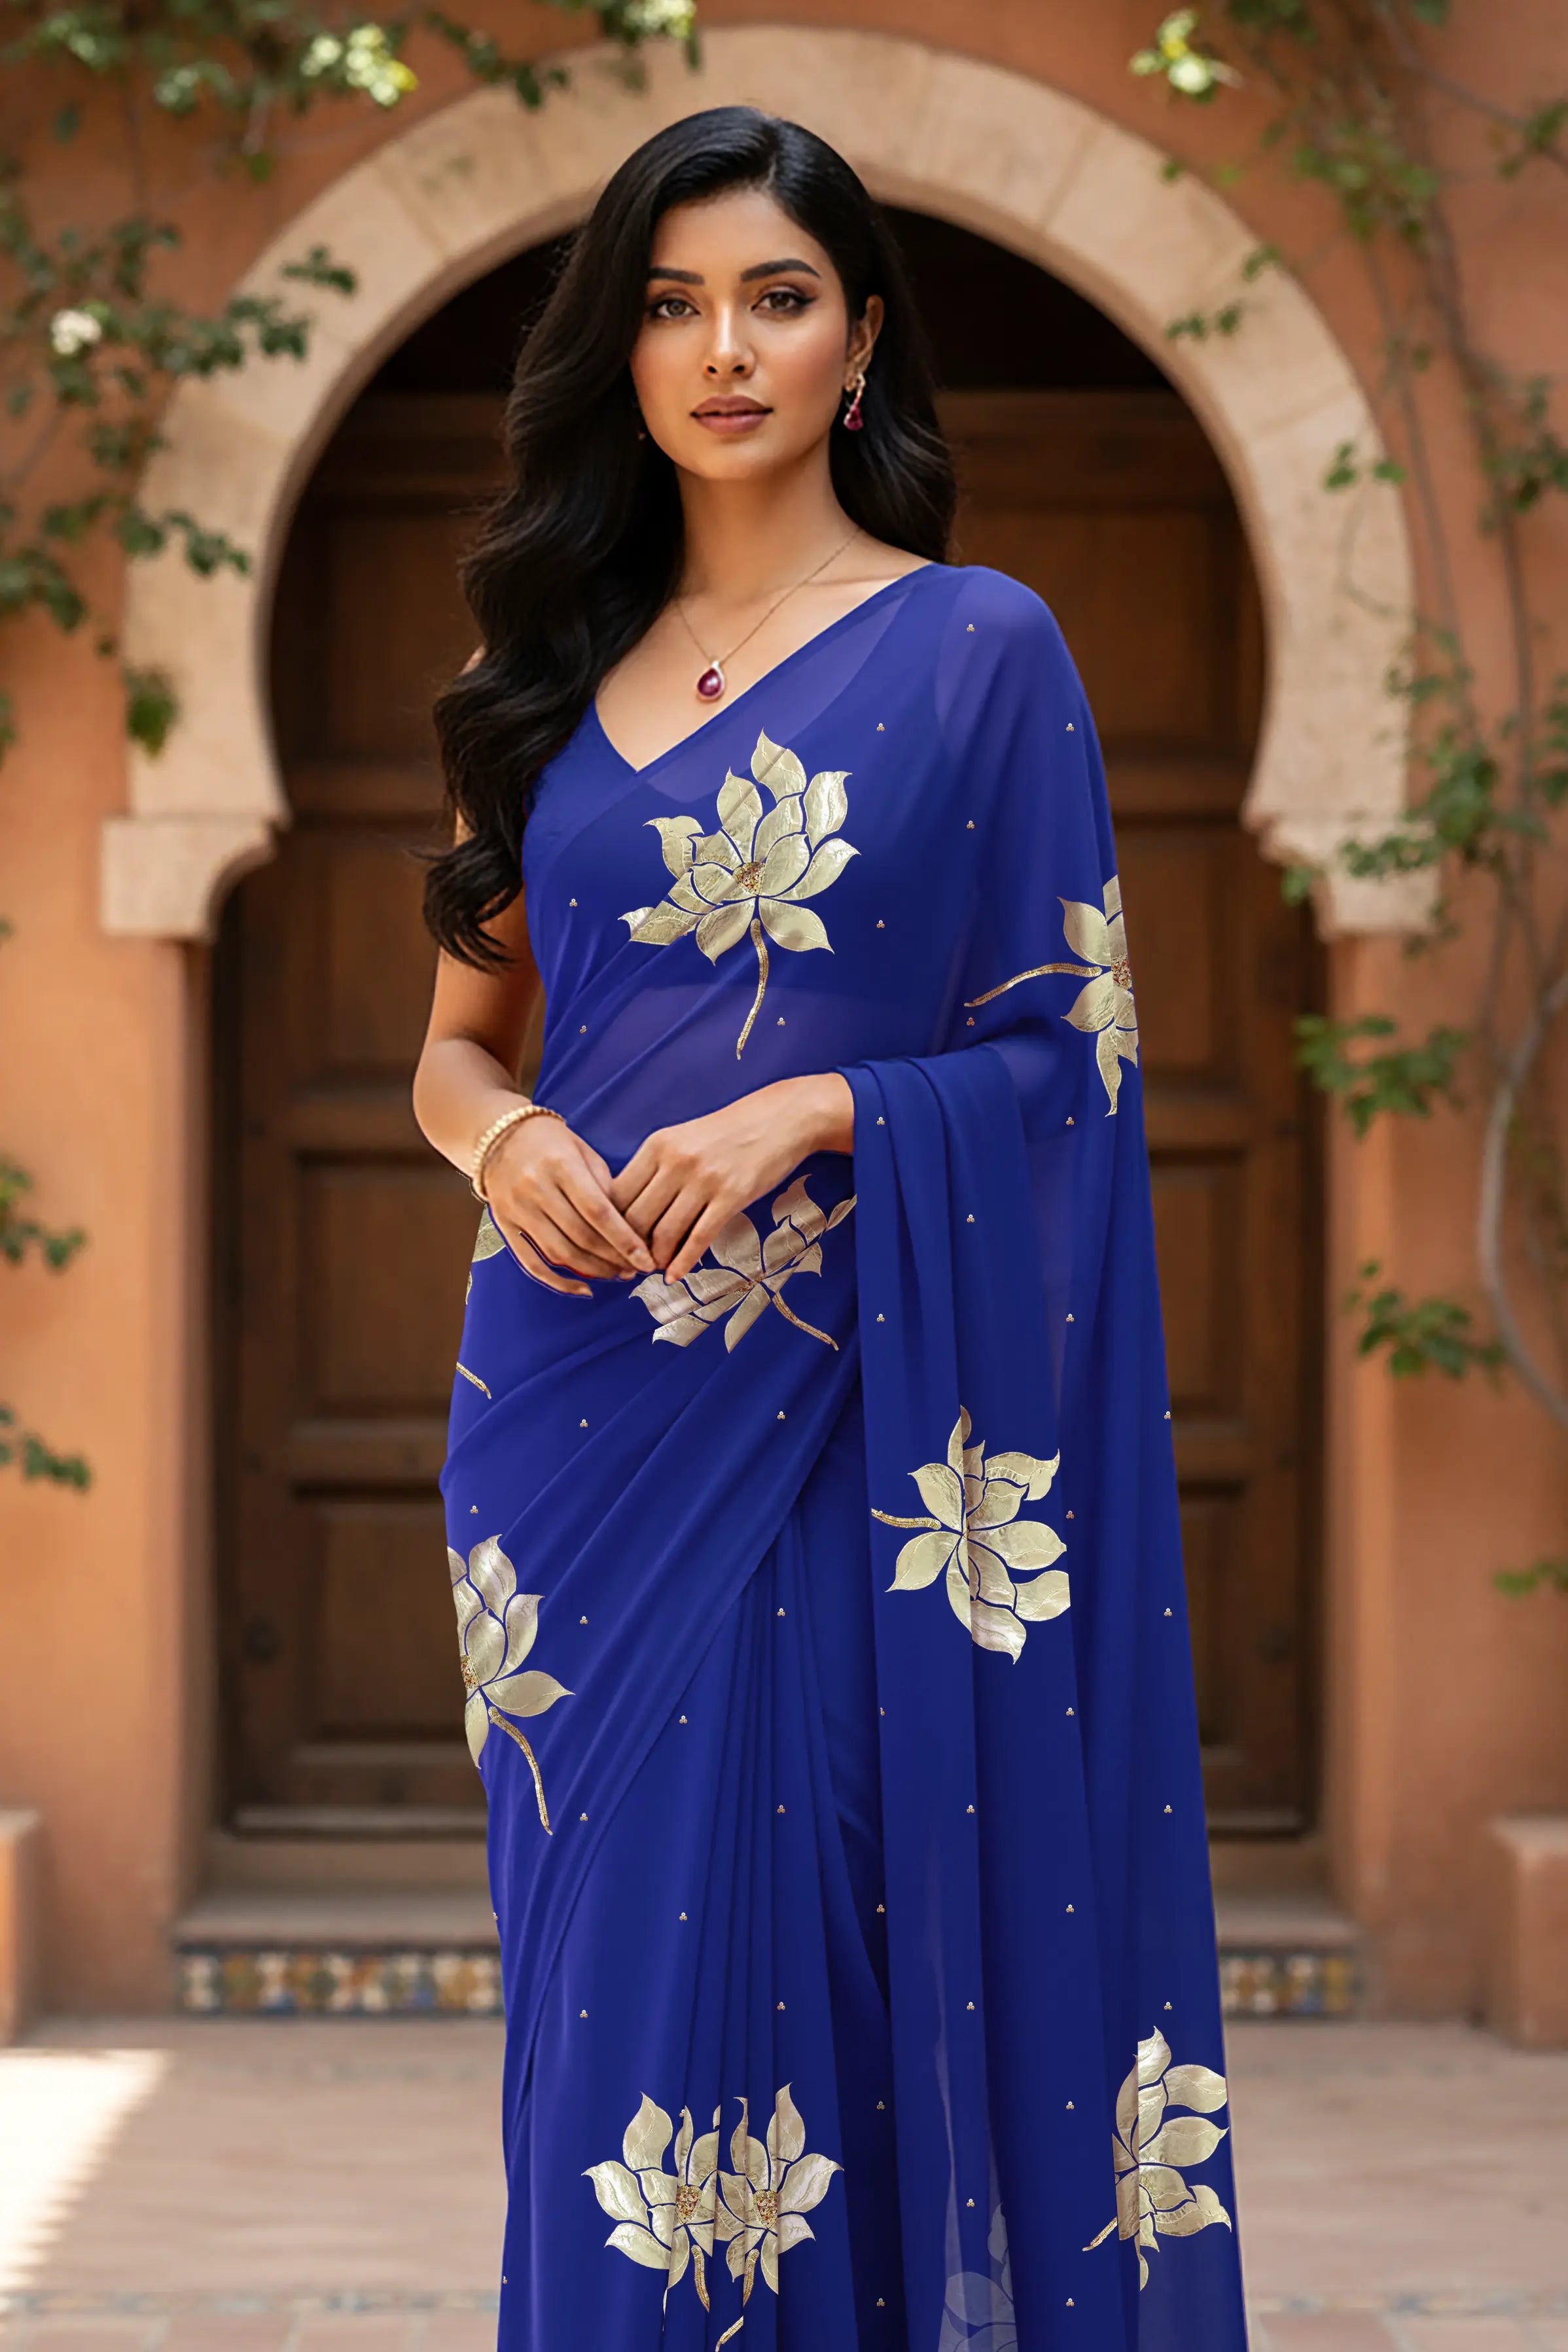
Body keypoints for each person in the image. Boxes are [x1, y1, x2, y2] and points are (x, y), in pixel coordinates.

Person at [412, 102, 1248, 2352]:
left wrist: (816, 1107)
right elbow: (454, 1052)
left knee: (846, 1977)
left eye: (773, 300)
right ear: (619, 353)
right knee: (605, 2023)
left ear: (857, 340)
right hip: (578, 1439)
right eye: (671, 305)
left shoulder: (978, 650)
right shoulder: (545, 674)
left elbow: (1068, 1057)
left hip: (855, 1434)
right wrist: (502, 1146)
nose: (722, 350)